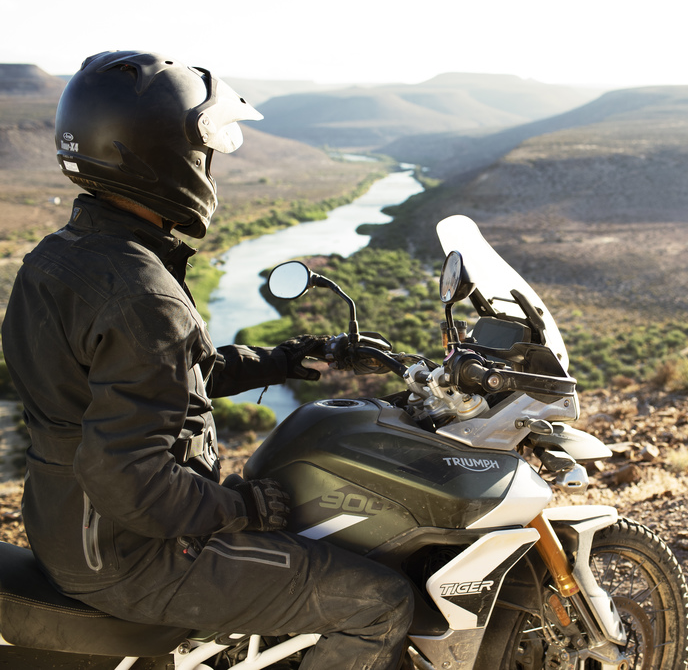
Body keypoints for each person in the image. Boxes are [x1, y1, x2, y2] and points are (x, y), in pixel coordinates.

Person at [1, 51, 413, 670]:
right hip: (133, 556)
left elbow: (164, 378)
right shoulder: (142, 296)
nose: (209, 168)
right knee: (379, 602)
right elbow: (128, 480)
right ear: (163, 156)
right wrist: (241, 508)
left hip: (71, 526)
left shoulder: (61, 256)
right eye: (204, 154)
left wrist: (289, 359)